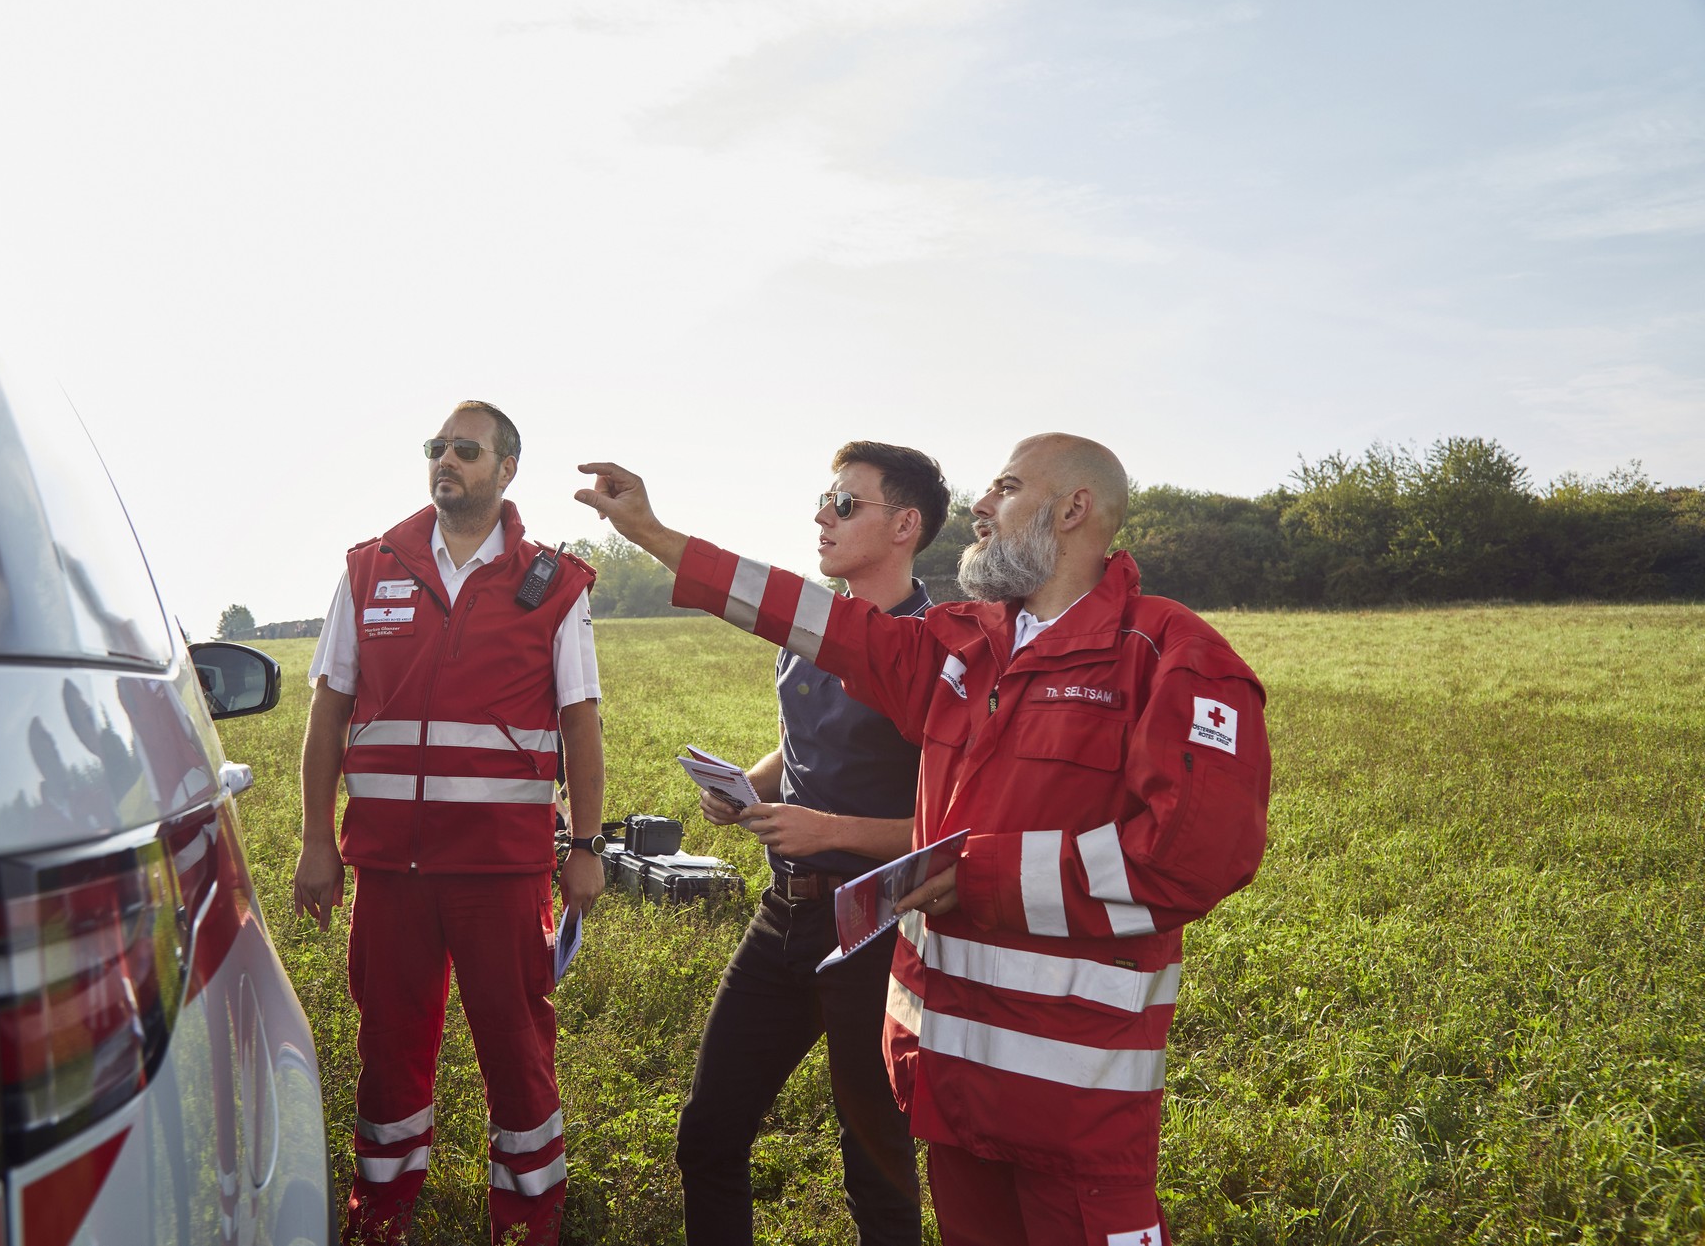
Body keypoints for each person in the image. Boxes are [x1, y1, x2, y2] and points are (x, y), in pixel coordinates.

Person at [576, 434, 1270, 1246]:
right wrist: (656, 535)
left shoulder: (1173, 657)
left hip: (1074, 1102)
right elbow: (817, 622)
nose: (979, 506)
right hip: (951, 1079)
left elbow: (1187, 859)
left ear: (1074, 509)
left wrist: (979, 873)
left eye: (1006, 488)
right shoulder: (963, 647)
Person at [296, 400, 606, 1246]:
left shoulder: (554, 582)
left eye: (467, 450)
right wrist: (318, 841)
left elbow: (581, 722)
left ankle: (529, 1216)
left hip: (501, 873)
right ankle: (382, 1209)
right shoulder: (371, 568)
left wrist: (584, 845)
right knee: (388, 1045)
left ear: (507, 470)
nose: (447, 460)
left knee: (517, 1046)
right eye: (438, 447)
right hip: (390, 868)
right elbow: (327, 714)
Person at [676, 441, 949, 1246]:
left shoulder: (937, 650)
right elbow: (803, 740)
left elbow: (951, 830)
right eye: (824, 500)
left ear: (904, 526)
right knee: (707, 1133)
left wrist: (828, 831)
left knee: (878, 1169)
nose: (821, 518)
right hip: (783, 919)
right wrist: (751, 787)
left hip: (877, 928)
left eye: (844, 504)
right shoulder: (809, 632)